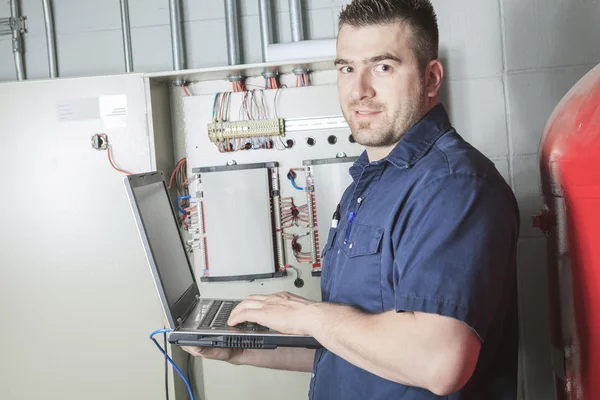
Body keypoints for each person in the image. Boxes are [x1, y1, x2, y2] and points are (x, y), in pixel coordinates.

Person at [183, 0, 520, 398]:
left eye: (383, 66)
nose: (359, 90)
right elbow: (349, 350)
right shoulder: (368, 183)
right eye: (346, 68)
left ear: (431, 78)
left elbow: (438, 360)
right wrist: (236, 350)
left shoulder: (454, 185)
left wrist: (310, 316)